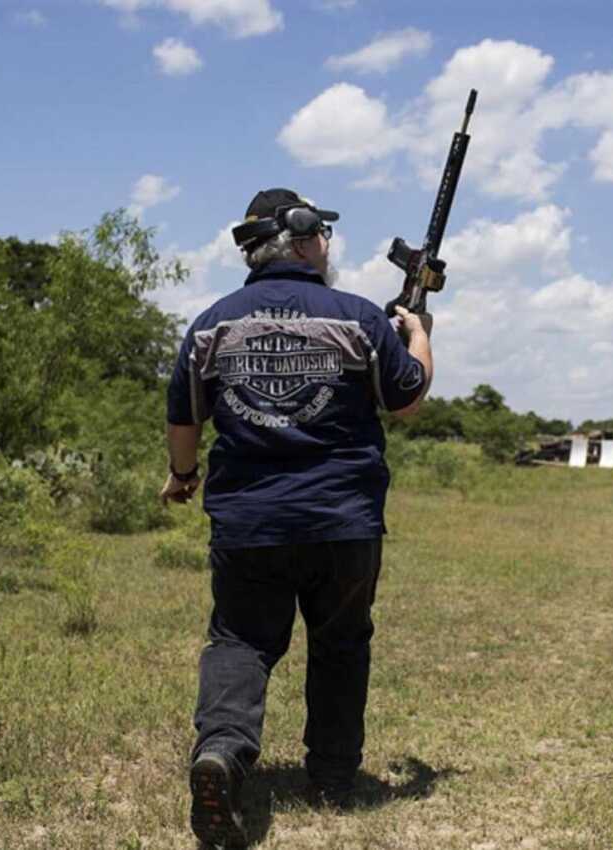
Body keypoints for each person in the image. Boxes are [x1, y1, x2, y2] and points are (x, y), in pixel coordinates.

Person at [161, 188, 432, 847]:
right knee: (339, 643)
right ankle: (333, 778)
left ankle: (223, 752)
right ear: (307, 238)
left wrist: (184, 474)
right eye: (326, 236)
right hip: (344, 519)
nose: (329, 246)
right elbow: (406, 402)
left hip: (249, 521)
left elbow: (183, 416)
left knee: (240, 640)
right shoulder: (359, 318)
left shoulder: (211, 324)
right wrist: (419, 335)